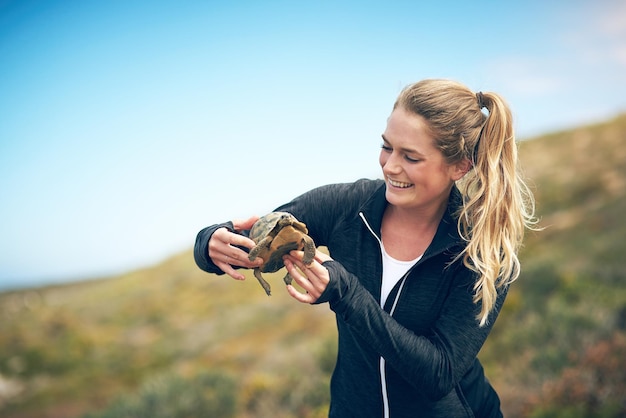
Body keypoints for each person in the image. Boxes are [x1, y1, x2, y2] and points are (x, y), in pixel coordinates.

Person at [194, 79, 537, 417]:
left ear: (459, 166)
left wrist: (346, 293)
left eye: (411, 157)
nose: (390, 166)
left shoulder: (483, 250)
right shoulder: (347, 207)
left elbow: (438, 374)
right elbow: (259, 238)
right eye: (387, 147)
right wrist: (211, 242)